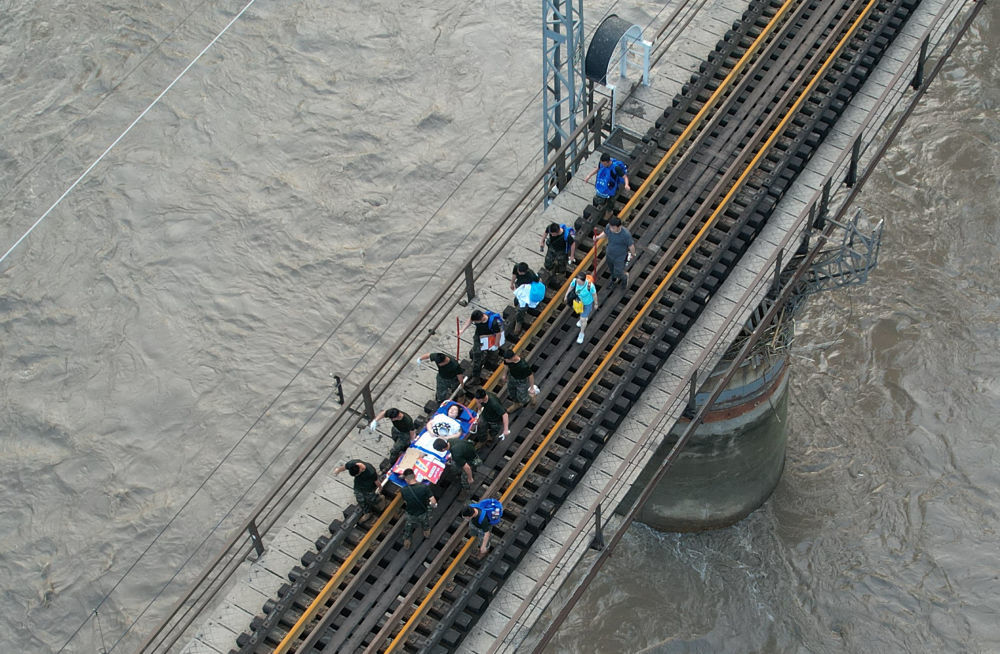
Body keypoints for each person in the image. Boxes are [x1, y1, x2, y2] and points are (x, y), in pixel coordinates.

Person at [332, 459, 384, 525]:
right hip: (358, 485)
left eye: (356, 475)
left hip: (368, 486)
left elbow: (376, 481)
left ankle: (380, 499)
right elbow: (345, 467)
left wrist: (380, 488)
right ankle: (367, 512)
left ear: (360, 470)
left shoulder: (370, 471)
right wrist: (338, 470)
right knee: (360, 499)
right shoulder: (352, 464)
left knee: (371, 498)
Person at [583, 153, 631, 223]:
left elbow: (624, 176)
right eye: (602, 163)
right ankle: (602, 203)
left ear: (608, 162)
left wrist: (626, 184)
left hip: (612, 187)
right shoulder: (602, 164)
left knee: (611, 200)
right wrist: (589, 176)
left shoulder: (616, 168)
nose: (603, 165)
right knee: (599, 198)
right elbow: (598, 169)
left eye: (604, 164)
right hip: (604, 183)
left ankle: (609, 211)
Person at [459, 309, 504, 382]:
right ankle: (476, 377)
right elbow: (470, 319)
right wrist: (462, 330)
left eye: (476, 322)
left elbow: (498, 334)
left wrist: (496, 344)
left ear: (482, 318)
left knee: (492, 354)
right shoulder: (478, 315)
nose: (474, 323)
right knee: (477, 354)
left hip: (489, 337)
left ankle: (491, 360)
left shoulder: (493, 323)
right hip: (479, 336)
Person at [399, 468, 437, 549]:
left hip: (411, 513)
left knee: (408, 526)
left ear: (406, 479)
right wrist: (431, 506)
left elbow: (405, 502)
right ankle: (426, 532)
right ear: (415, 476)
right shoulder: (424, 487)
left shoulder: (403, 490)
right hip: (423, 511)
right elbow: (433, 501)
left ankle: (407, 540)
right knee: (425, 522)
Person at [593, 216, 636, 288]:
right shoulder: (608, 227)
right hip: (609, 254)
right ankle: (614, 279)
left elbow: (631, 246)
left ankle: (625, 277)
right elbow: (605, 233)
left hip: (620, 257)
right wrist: (598, 237)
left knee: (618, 271)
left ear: (619, 227)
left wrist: (633, 254)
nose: (611, 229)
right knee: (611, 269)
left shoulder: (625, 235)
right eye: (610, 227)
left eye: (613, 228)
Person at [509, 262, 543, 339]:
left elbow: (539, 281)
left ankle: (519, 322)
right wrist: (512, 283)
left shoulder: (531, 275)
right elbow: (514, 275)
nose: (519, 273)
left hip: (526, 292)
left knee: (520, 309)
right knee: (517, 301)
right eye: (518, 271)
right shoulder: (517, 267)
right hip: (519, 287)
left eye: (521, 272)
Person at [500, 348, 538, 413]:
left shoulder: (523, 365)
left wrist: (531, 388)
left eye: (507, 360)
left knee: (523, 399)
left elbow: (530, 375)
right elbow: (506, 365)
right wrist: (504, 374)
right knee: (511, 392)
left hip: (521, 381)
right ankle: (516, 404)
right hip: (512, 377)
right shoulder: (507, 360)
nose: (506, 361)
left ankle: (532, 397)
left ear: (512, 358)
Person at [565, 270, 598, 345]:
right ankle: (582, 319)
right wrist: (566, 295)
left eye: (579, 282)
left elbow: (594, 295)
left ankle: (581, 333)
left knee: (583, 319)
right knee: (579, 313)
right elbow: (571, 286)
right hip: (579, 301)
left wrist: (596, 304)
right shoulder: (575, 281)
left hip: (587, 303)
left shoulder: (590, 286)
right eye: (577, 282)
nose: (578, 283)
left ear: (583, 281)